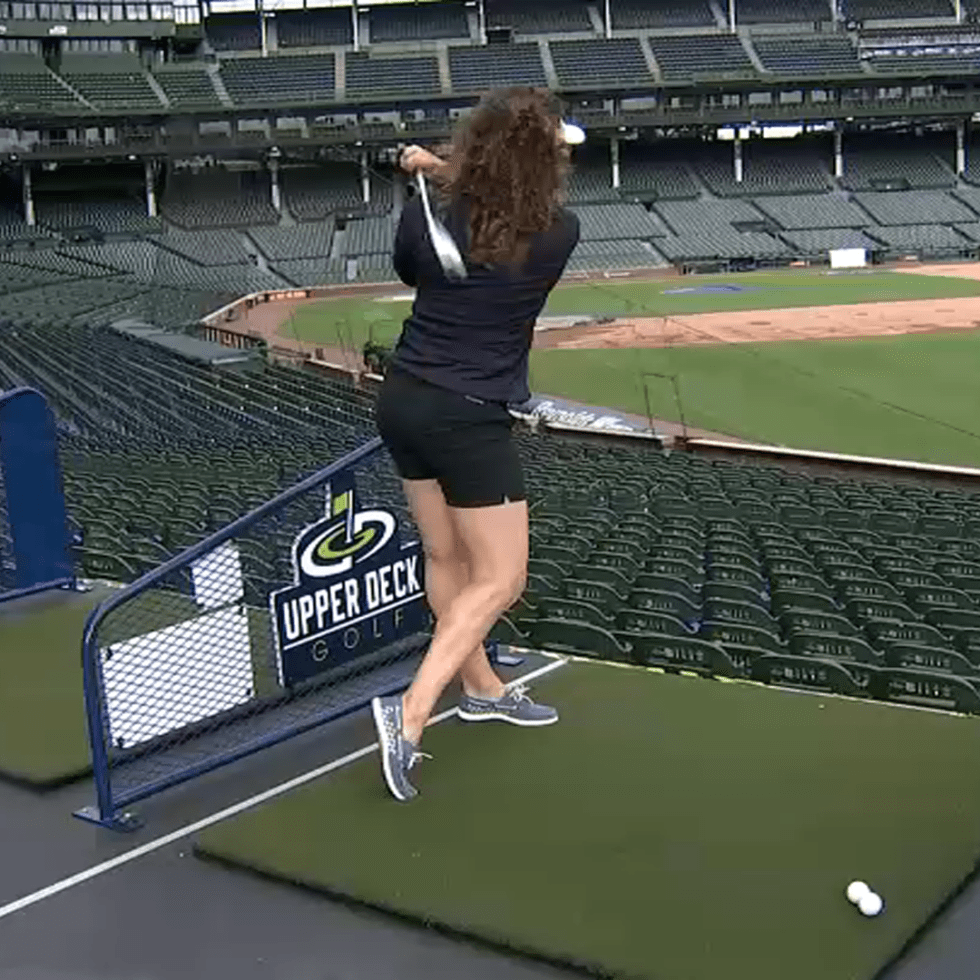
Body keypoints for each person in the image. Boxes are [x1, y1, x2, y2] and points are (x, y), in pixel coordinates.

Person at [371, 86, 581, 802]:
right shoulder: (559, 231)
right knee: (502, 578)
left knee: (446, 557)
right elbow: (502, 210)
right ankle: (410, 713)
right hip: (467, 414)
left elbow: (414, 264)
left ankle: (483, 687)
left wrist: (434, 176)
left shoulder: (425, 213)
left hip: (403, 399)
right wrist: (443, 171)